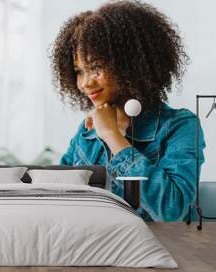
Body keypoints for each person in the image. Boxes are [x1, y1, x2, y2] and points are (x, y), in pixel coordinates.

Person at [50, 0, 206, 221]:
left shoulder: (180, 126)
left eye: (95, 68)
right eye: (79, 71)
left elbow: (172, 210)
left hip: (154, 248)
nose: (85, 83)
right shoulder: (86, 133)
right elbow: (57, 197)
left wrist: (113, 137)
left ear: (129, 63)